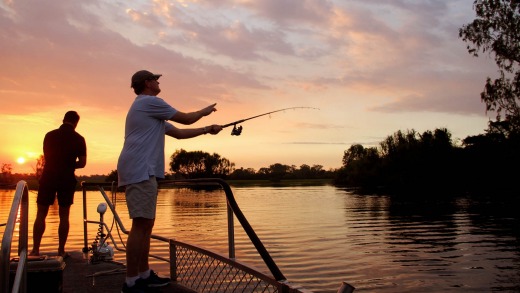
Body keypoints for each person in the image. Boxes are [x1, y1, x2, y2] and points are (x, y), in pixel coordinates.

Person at [117, 70, 222, 292]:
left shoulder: (150, 112)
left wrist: (206, 130)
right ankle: (131, 281)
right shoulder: (149, 102)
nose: (158, 82)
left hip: (143, 170)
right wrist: (206, 111)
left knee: (146, 224)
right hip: (140, 169)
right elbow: (185, 118)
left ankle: (143, 275)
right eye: (155, 79)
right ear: (147, 83)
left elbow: (179, 133)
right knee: (140, 225)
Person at [30, 111, 87, 258]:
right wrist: (68, 164)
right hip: (66, 178)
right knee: (64, 215)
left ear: (63, 119)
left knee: (41, 213)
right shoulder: (79, 139)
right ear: (76, 123)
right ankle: (61, 250)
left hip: (48, 176)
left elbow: (47, 156)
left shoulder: (49, 135)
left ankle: (35, 250)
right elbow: (82, 163)